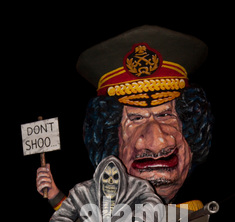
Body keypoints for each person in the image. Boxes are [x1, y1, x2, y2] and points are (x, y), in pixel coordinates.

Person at [36, 26, 213, 207]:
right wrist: (54, 195)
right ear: (112, 141)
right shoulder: (111, 220)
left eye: (166, 115)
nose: (157, 142)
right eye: (136, 119)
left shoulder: (193, 216)